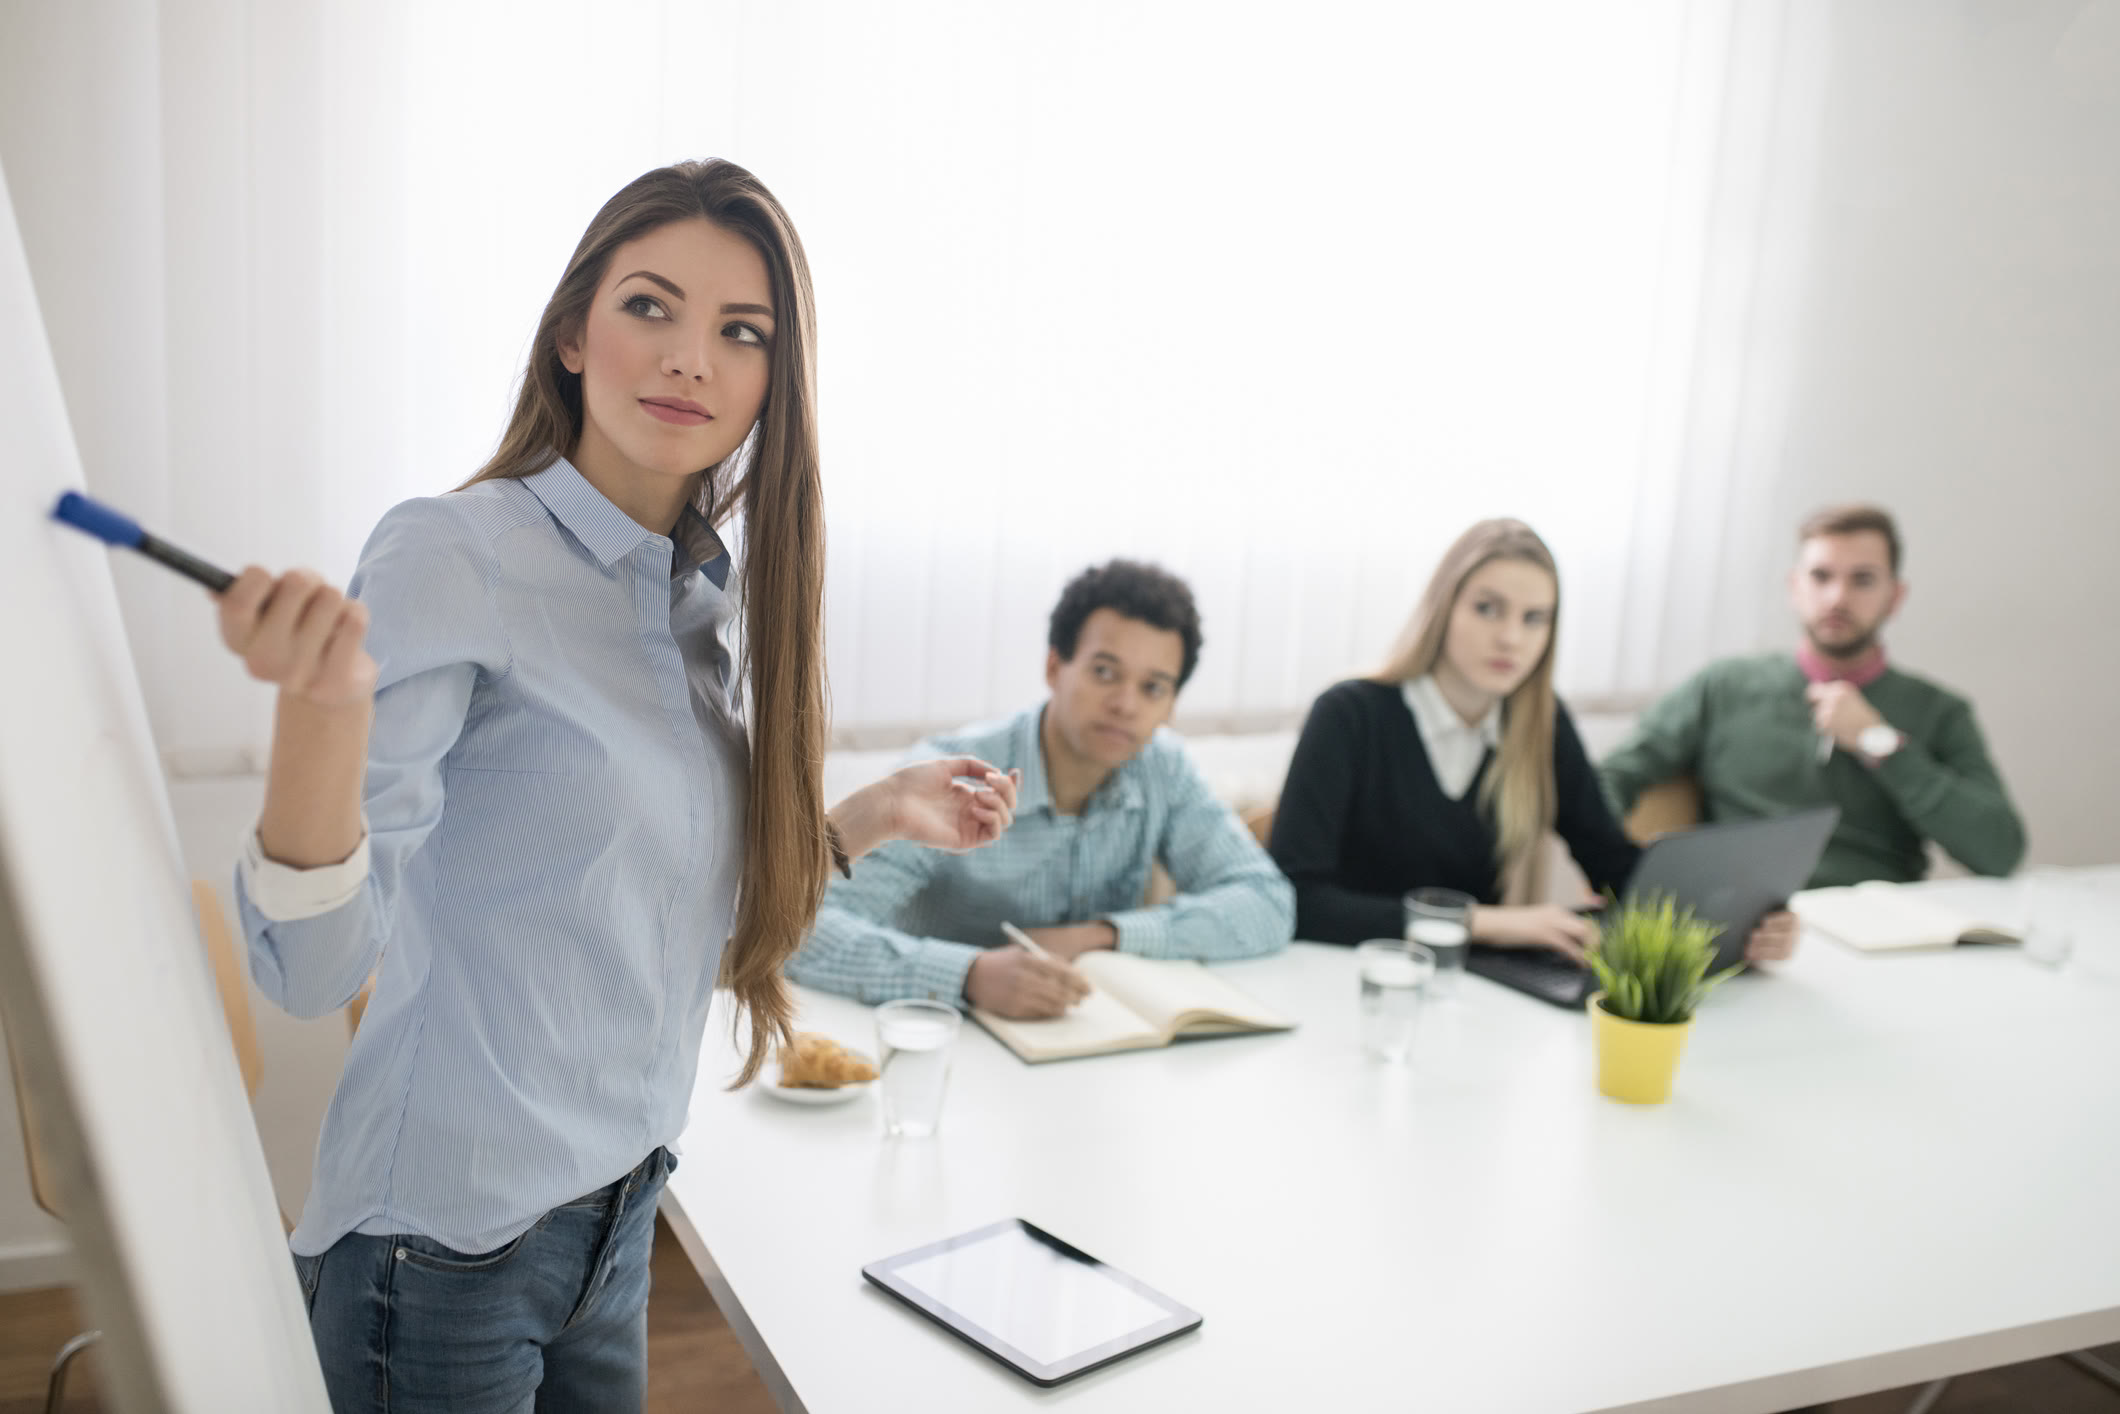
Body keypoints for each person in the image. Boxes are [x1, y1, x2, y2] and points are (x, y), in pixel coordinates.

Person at [212, 160, 1018, 1413]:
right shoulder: (452, 552)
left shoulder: (702, 601)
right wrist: (319, 714)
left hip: (616, 1221)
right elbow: (312, 973)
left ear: (770, 384)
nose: (691, 357)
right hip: (440, 1250)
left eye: (739, 332)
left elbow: (664, 931)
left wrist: (874, 811)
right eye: (651, 306)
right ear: (572, 336)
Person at [1270, 519, 1795, 963]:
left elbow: (1614, 867)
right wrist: (1486, 923)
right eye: (1488, 609)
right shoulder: (1349, 717)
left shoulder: (1540, 724)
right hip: (1347, 977)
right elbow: (1299, 900)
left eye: (1534, 619)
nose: (1511, 638)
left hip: (1470, 990)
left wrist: (1740, 918)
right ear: (1443, 608)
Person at [787, 560, 1295, 1017]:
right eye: (1104, 672)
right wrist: (970, 975)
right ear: (1055, 667)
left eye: (1153, 687)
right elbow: (801, 933)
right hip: (940, 1035)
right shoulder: (952, 776)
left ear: (1171, 706)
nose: (1125, 704)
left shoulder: (1164, 769)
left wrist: (1101, 937)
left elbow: (1268, 903)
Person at [1601, 504, 2025, 887]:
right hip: (1745, 918)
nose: (1838, 597)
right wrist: (1614, 864)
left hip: (1879, 927)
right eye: (1821, 576)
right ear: (1794, 587)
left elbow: (2000, 851)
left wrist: (1879, 742)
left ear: (1894, 597)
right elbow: (1612, 777)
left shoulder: (1938, 711)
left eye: (1862, 580)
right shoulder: (1724, 686)